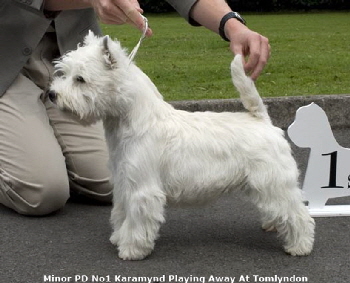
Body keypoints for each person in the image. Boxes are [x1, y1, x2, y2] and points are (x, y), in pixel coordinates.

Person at [0, 0, 270, 216]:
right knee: (42, 192)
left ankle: (36, 140)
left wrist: (231, 24)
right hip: (5, 59)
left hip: (69, 60)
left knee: (112, 180)